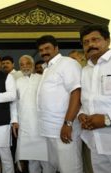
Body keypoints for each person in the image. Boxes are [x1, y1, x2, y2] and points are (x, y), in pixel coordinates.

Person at [36, 35, 83, 173]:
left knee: (70, 168)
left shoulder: (67, 63)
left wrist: (68, 124)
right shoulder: (48, 68)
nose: (44, 52)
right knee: (59, 168)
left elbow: (76, 92)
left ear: (56, 48)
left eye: (47, 48)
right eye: (41, 49)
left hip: (64, 128)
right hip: (49, 129)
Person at [78, 24, 111, 173]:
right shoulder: (85, 70)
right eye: (86, 42)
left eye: (95, 40)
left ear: (107, 41)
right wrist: (81, 114)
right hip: (96, 142)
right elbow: (86, 100)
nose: (91, 45)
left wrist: (108, 118)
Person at [13, 55, 55, 173]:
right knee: (31, 158)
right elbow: (14, 103)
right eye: (22, 64)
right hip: (25, 123)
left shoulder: (42, 78)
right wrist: (14, 120)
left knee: (46, 158)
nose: (25, 66)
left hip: (42, 123)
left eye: (28, 63)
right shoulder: (17, 81)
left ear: (33, 65)